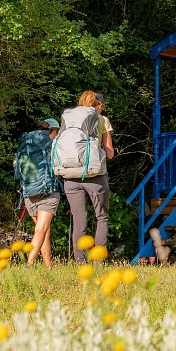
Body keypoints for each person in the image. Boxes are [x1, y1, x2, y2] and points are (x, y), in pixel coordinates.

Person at [64, 91, 114, 261]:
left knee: (79, 220)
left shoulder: (70, 119)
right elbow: (109, 153)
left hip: (70, 175)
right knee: (101, 217)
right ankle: (98, 260)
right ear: (98, 104)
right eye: (102, 105)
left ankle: (80, 262)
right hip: (95, 176)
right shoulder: (102, 120)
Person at [20, 117, 62, 267]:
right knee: (41, 229)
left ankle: (48, 266)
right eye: (57, 132)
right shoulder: (52, 145)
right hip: (47, 192)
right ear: (53, 131)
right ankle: (29, 264)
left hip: (29, 193)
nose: (57, 135)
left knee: (44, 230)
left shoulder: (28, 141)